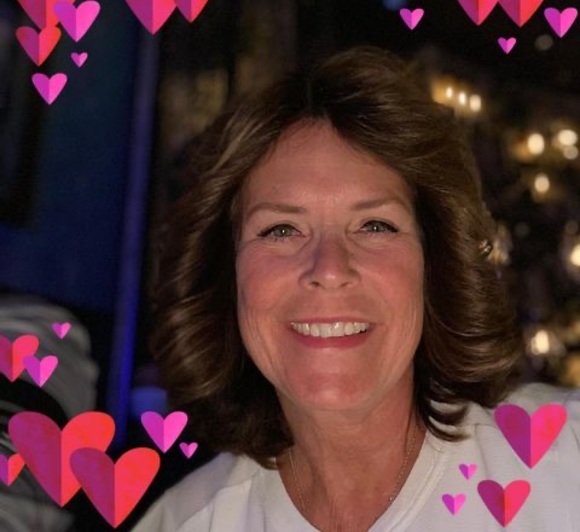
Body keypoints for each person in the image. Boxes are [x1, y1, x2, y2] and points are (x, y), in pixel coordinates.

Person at [133, 47, 580, 531]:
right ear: (226, 272)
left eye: (374, 225)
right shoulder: (185, 523)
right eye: (281, 230)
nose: (329, 269)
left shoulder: (566, 459)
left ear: (434, 265)